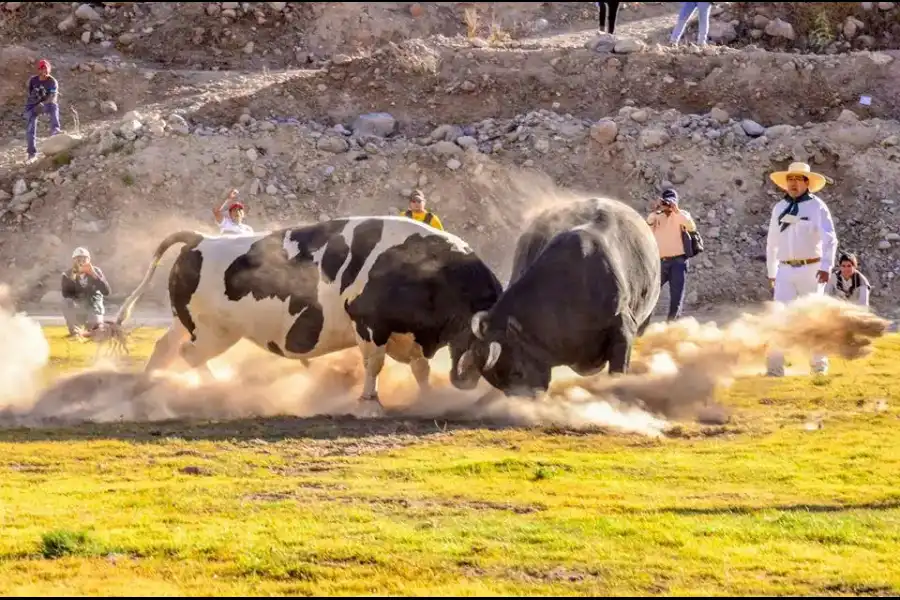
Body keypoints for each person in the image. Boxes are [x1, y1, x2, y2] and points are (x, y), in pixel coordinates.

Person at [765, 162, 838, 377]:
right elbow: (772, 242)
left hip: (812, 269)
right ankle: (775, 367)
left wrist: (826, 266)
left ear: (807, 183)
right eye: (790, 179)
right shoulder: (779, 208)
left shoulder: (817, 207)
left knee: (813, 317)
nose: (793, 183)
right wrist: (772, 271)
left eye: (798, 179)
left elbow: (830, 239)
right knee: (780, 317)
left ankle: (819, 366)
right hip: (785, 270)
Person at [646, 188, 697, 322]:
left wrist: (676, 211)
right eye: (666, 202)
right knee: (650, 294)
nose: (668, 205)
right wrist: (655, 210)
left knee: (676, 298)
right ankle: (643, 325)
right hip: (660, 262)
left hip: (678, 262)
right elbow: (648, 229)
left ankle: (671, 328)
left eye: (671, 202)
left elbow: (691, 227)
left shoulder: (681, 215)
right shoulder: (656, 216)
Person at [61, 247, 111, 339]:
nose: (82, 262)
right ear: (74, 261)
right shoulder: (67, 274)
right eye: (78, 259)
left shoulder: (96, 271)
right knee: (66, 302)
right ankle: (75, 331)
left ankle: (92, 329)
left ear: (89, 260)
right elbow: (66, 294)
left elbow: (106, 291)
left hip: (93, 306)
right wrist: (73, 277)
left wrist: (93, 275)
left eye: (84, 259)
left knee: (96, 332)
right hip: (78, 308)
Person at [24, 58, 61, 163]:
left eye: (46, 69)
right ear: (38, 70)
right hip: (32, 106)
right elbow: (30, 93)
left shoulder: (52, 81)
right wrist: (34, 105)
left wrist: (43, 104)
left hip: (45, 104)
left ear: (49, 70)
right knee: (30, 130)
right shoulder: (33, 80)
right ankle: (31, 154)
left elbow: (53, 97)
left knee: (54, 106)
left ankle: (55, 130)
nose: (44, 72)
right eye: (41, 69)